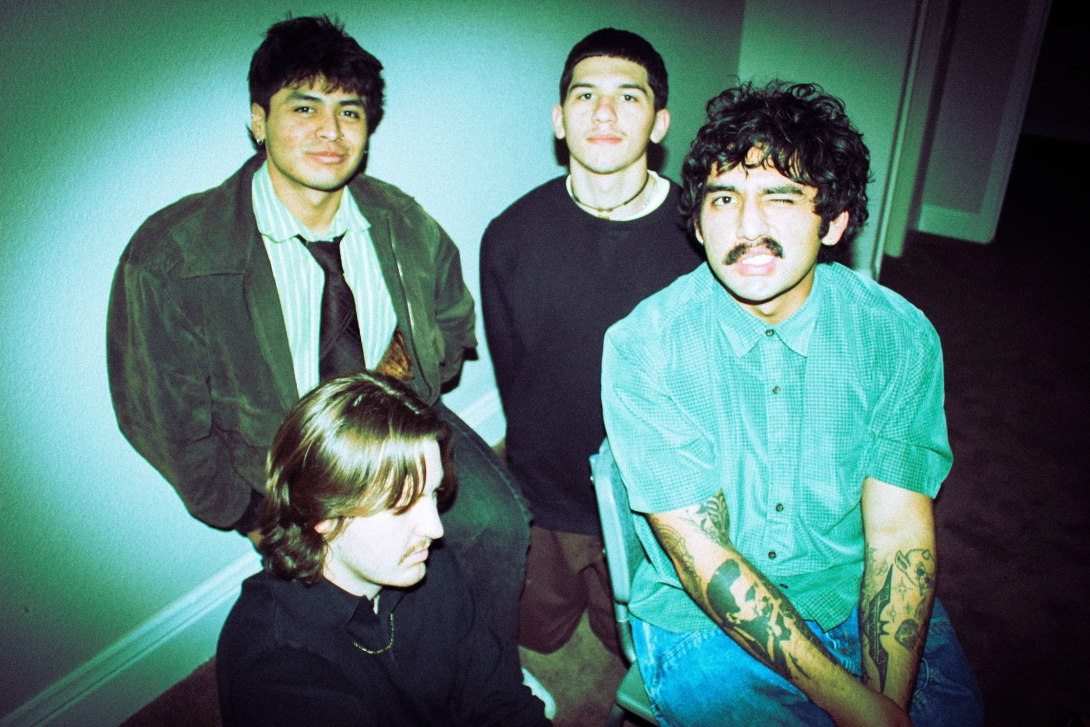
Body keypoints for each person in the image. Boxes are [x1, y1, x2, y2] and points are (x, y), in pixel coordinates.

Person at [107, 15, 529, 654]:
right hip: (287, 474)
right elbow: (161, 419)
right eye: (304, 108)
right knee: (339, 612)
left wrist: (400, 382)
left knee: (498, 527)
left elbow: (453, 321)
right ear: (259, 121)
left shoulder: (401, 221)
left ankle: (486, 670)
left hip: (399, 433)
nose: (331, 131)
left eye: (349, 112)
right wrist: (249, 513)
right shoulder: (172, 259)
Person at [601, 81, 984, 726]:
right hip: (701, 617)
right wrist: (855, 706)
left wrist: (886, 704)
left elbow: (897, 534)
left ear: (833, 222)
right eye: (725, 198)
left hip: (851, 591)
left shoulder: (897, 335)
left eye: (780, 198)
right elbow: (700, 553)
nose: (748, 227)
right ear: (698, 220)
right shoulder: (645, 346)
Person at [480, 28, 703, 659]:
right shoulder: (510, 236)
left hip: (654, 495)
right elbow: (511, 369)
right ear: (560, 119)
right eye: (585, 96)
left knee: (632, 647)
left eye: (628, 97)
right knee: (536, 638)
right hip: (545, 492)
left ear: (659, 123)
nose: (604, 113)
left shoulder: (702, 238)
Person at [216, 371, 551, 726]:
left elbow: (494, 693)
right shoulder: (282, 678)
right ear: (322, 515)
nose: (435, 529)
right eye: (401, 506)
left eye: (433, 494)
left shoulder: (427, 564)